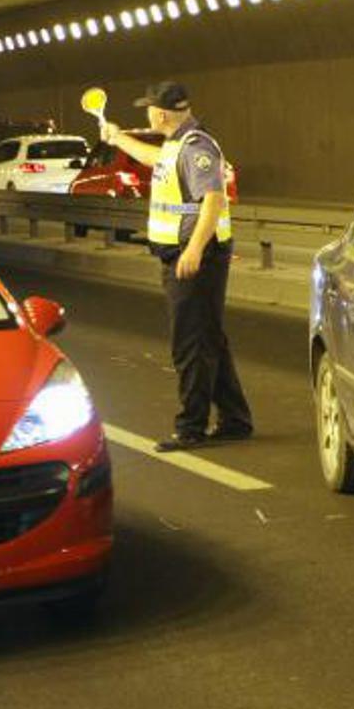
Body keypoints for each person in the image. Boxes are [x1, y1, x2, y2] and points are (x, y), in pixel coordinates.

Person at [100, 81, 252, 451]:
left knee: (190, 344)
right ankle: (235, 420)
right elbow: (154, 159)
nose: (147, 114)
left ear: (161, 114)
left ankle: (191, 428)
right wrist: (117, 138)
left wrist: (194, 250)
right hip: (186, 255)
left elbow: (213, 200)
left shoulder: (197, 147)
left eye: (149, 109)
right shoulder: (176, 145)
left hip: (195, 257)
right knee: (209, 339)